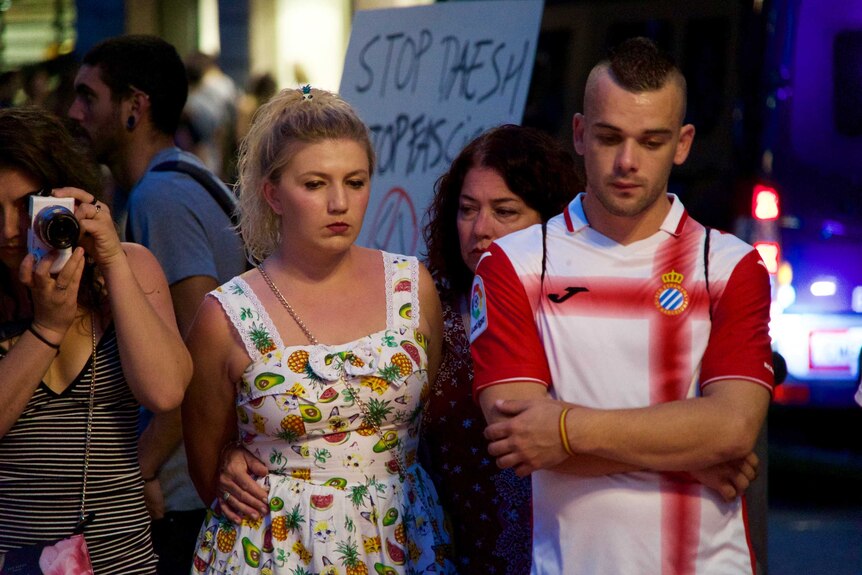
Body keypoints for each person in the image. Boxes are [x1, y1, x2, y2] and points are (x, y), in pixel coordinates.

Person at [470, 38, 773, 573]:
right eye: (610, 138)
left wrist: (562, 429)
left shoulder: (731, 265)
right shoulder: (512, 264)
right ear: (581, 134)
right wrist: (688, 453)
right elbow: (519, 438)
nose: (628, 162)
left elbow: (732, 430)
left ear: (682, 144)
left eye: (651, 141)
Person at [182, 86, 454, 574]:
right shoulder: (227, 314)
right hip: (274, 554)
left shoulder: (412, 287)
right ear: (273, 194)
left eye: (355, 181)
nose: (339, 202)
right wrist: (229, 461)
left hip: (401, 544)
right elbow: (206, 471)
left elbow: (429, 417)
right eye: (314, 184)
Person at [68, 34, 246, 574]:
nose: (74, 112)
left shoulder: (159, 198)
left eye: (88, 97)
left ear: (134, 107)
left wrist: (139, 470)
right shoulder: (184, 179)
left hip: (180, 491)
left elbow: (193, 355)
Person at [0, 107, 192, 572]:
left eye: (24, 208)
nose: (7, 230)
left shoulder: (128, 266)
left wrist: (111, 260)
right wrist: (46, 329)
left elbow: (166, 391)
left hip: (124, 559)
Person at [420, 124, 581, 573]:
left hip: (562, 548)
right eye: (467, 209)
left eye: (505, 211)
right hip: (447, 548)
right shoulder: (429, 305)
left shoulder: (583, 308)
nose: (481, 229)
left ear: (551, 218)